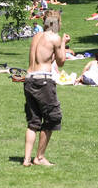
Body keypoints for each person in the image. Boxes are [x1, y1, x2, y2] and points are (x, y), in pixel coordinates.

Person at [23, 10, 69, 167]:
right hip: (43, 81)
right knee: (52, 118)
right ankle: (40, 157)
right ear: (55, 23)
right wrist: (63, 42)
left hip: (29, 79)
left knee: (33, 121)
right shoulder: (54, 38)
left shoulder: (36, 36)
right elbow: (61, 61)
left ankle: (26, 159)